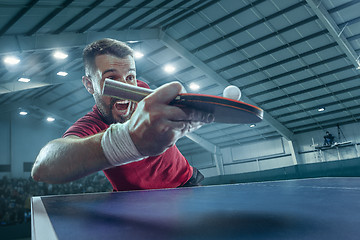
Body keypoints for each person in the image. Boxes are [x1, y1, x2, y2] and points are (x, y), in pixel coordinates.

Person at [31, 38, 214, 191]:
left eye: (130, 77)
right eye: (111, 79)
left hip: (185, 183)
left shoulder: (143, 93)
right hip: (133, 201)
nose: (125, 89)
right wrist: (129, 140)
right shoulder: (90, 125)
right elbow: (42, 167)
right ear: (89, 84)